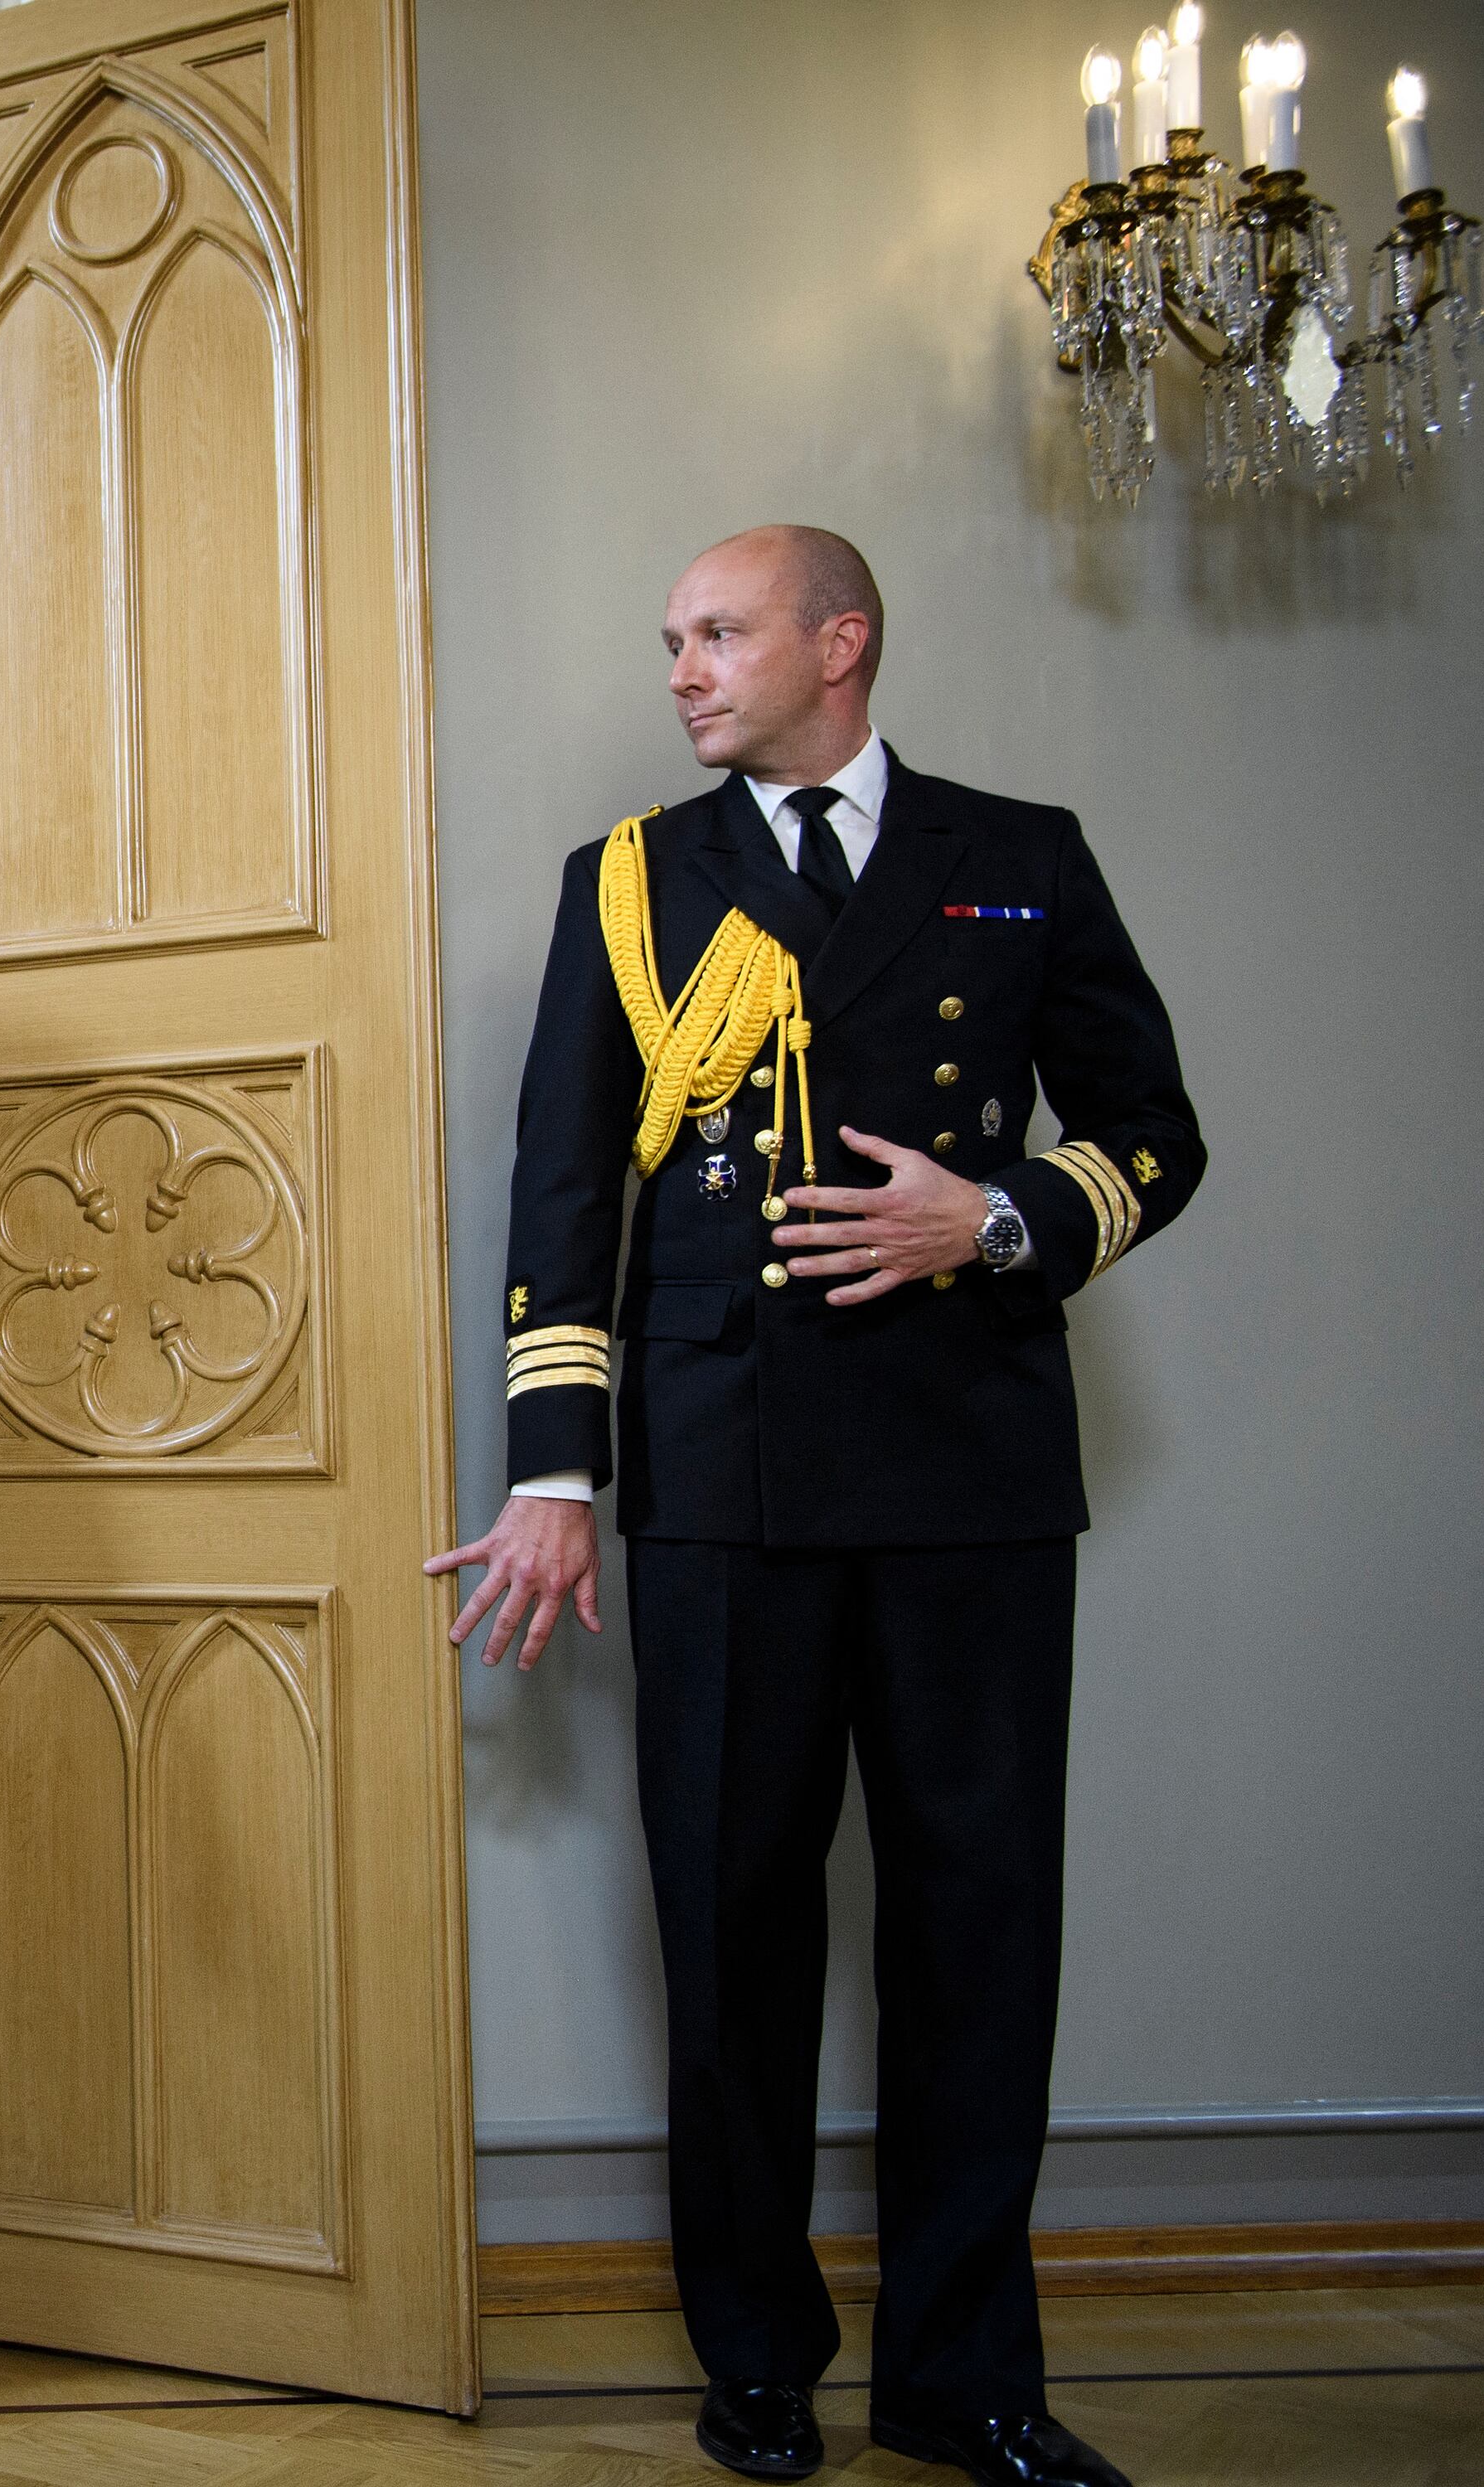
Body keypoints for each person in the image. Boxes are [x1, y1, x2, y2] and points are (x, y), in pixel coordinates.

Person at [426, 527, 1202, 2487]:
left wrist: (996, 1211)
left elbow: (1148, 1132)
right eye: (669, 637)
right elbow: (557, 1192)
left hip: (965, 1473)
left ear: (834, 641)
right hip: (717, 1477)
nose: (680, 670)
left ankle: (965, 2378)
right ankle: (754, 2354)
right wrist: (550, 1475)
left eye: (715, 632)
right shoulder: (630, 878)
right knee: (731, 1929)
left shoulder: (1012, 849)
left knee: (973, 1935)